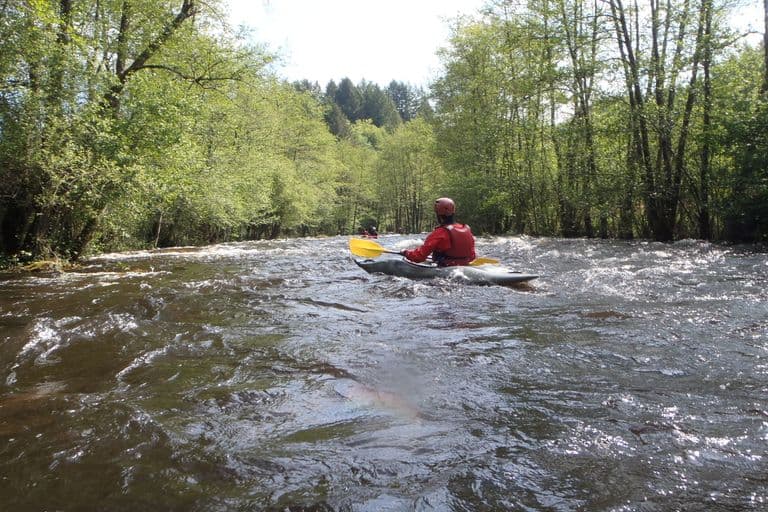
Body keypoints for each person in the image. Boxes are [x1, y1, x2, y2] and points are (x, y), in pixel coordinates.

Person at [400, 197, 476, 266]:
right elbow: (472, 256)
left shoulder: (440, 233)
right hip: (464, 266)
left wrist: (405, 252)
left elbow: (419, 257)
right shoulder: (466, 229)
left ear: (438, 214)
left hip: (446, 268)